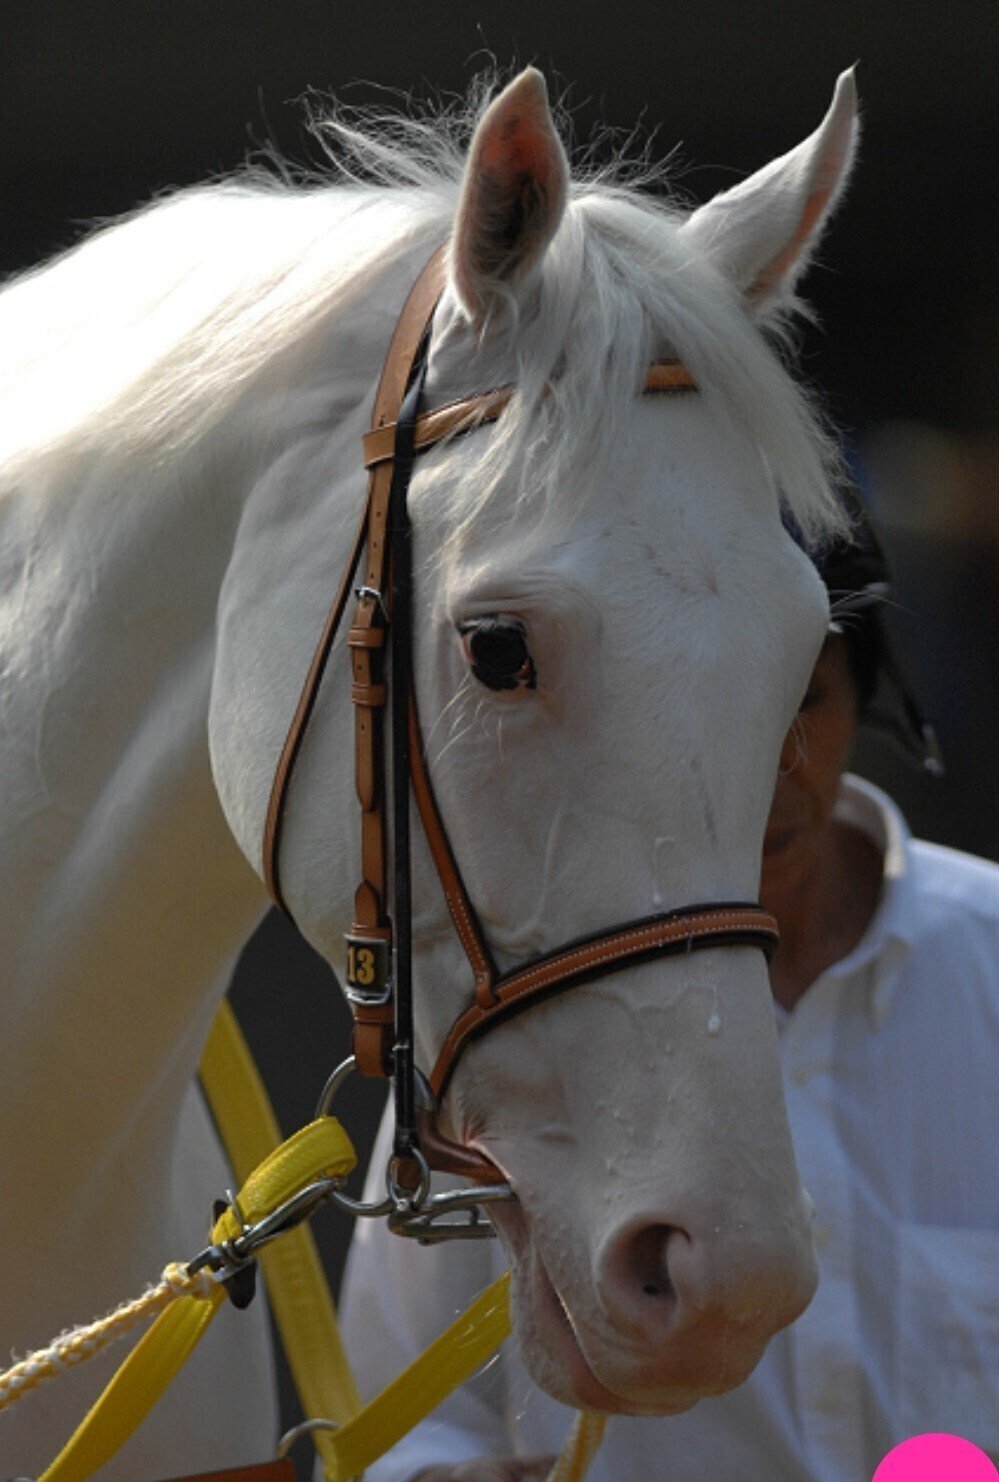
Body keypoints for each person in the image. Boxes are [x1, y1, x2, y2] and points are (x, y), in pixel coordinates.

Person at [339, 494, 999, 1481]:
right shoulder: (494, 1020)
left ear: (868, 699)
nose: (766, 768)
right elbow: (386, 1432)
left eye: (802, 698)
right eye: (710, 702)